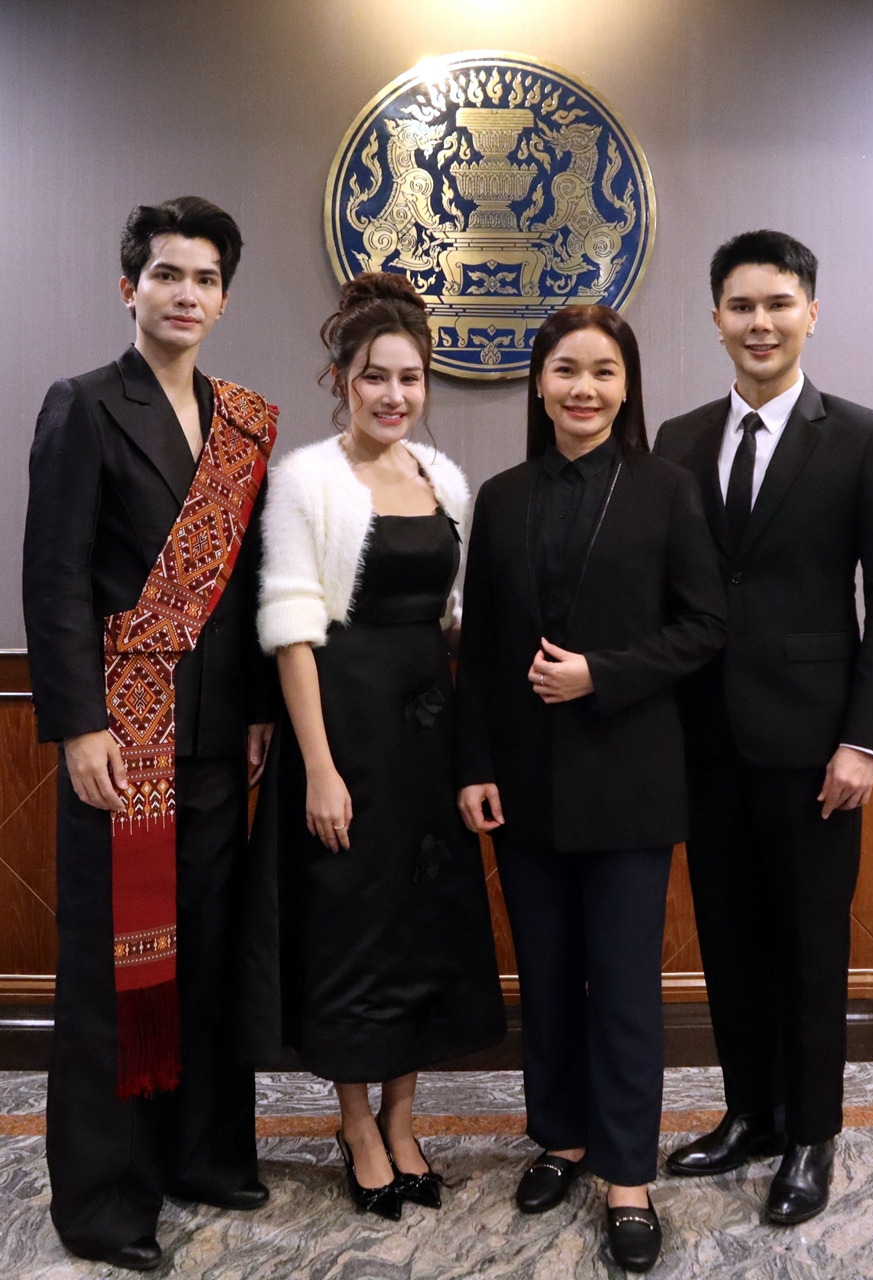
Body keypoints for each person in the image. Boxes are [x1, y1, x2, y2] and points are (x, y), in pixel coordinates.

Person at [21, 196, 278, 1272]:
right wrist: (79, 726)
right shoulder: (83, 405)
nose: (186, 294)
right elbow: (53, 578)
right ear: (130, 287)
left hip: (217, 735)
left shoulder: (241, 421)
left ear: (224, 298)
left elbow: (249, 581)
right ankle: (104, 1198)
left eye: (205, 278)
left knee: (206, 954)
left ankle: (200, 1153)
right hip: (123, 737)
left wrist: (257, 707)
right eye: (168, 274)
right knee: (114, 968)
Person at [655, 230, 873, 1225]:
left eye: (777, 304)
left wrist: (864, 739)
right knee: (728, 940)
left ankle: (811, 1132)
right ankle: (750, 1113)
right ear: (715, 317)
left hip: (815, 747)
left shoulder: (864, 437)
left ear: (811, 312)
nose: (759, 323)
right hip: (704, 741)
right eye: (741, 306)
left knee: (810, 946)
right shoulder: (678, 439)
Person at [455, 304, 726, 1273]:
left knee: (621, 984)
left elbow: (704, 626)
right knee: (545, 974)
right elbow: (481, 646)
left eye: (603, 371)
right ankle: (562, 1136)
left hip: (629, 778)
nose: (584, 387)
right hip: (522, 781)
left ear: (626, 385)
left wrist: (598, 674)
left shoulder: (668, 489)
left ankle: (625, 1173)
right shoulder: (501, 497)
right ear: (538, 383)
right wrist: (474, 764)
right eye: (566, 369)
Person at [243, 272, 505, 1221]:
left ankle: (402, 1119)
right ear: (340, 380)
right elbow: (291, 631)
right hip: (343, 737)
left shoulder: (443, 480)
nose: (394, 395)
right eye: (374, 377)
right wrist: (317, 768)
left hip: (426, 745)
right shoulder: (305, 480)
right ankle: (355, 1124)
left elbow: (457, 618)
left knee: (418, 931)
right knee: (348, 932)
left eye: (409, 378)